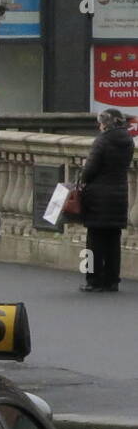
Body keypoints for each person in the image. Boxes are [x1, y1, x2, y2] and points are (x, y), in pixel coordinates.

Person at [79, 108, 133, 292]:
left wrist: (84, 169)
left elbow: (89, 171)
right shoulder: (127, 141)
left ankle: (93, 280)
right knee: (113, 239)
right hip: (119, 194)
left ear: (104, 124)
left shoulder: (101, 141)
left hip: (98, 196)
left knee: (94, 240)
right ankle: (112, 280)